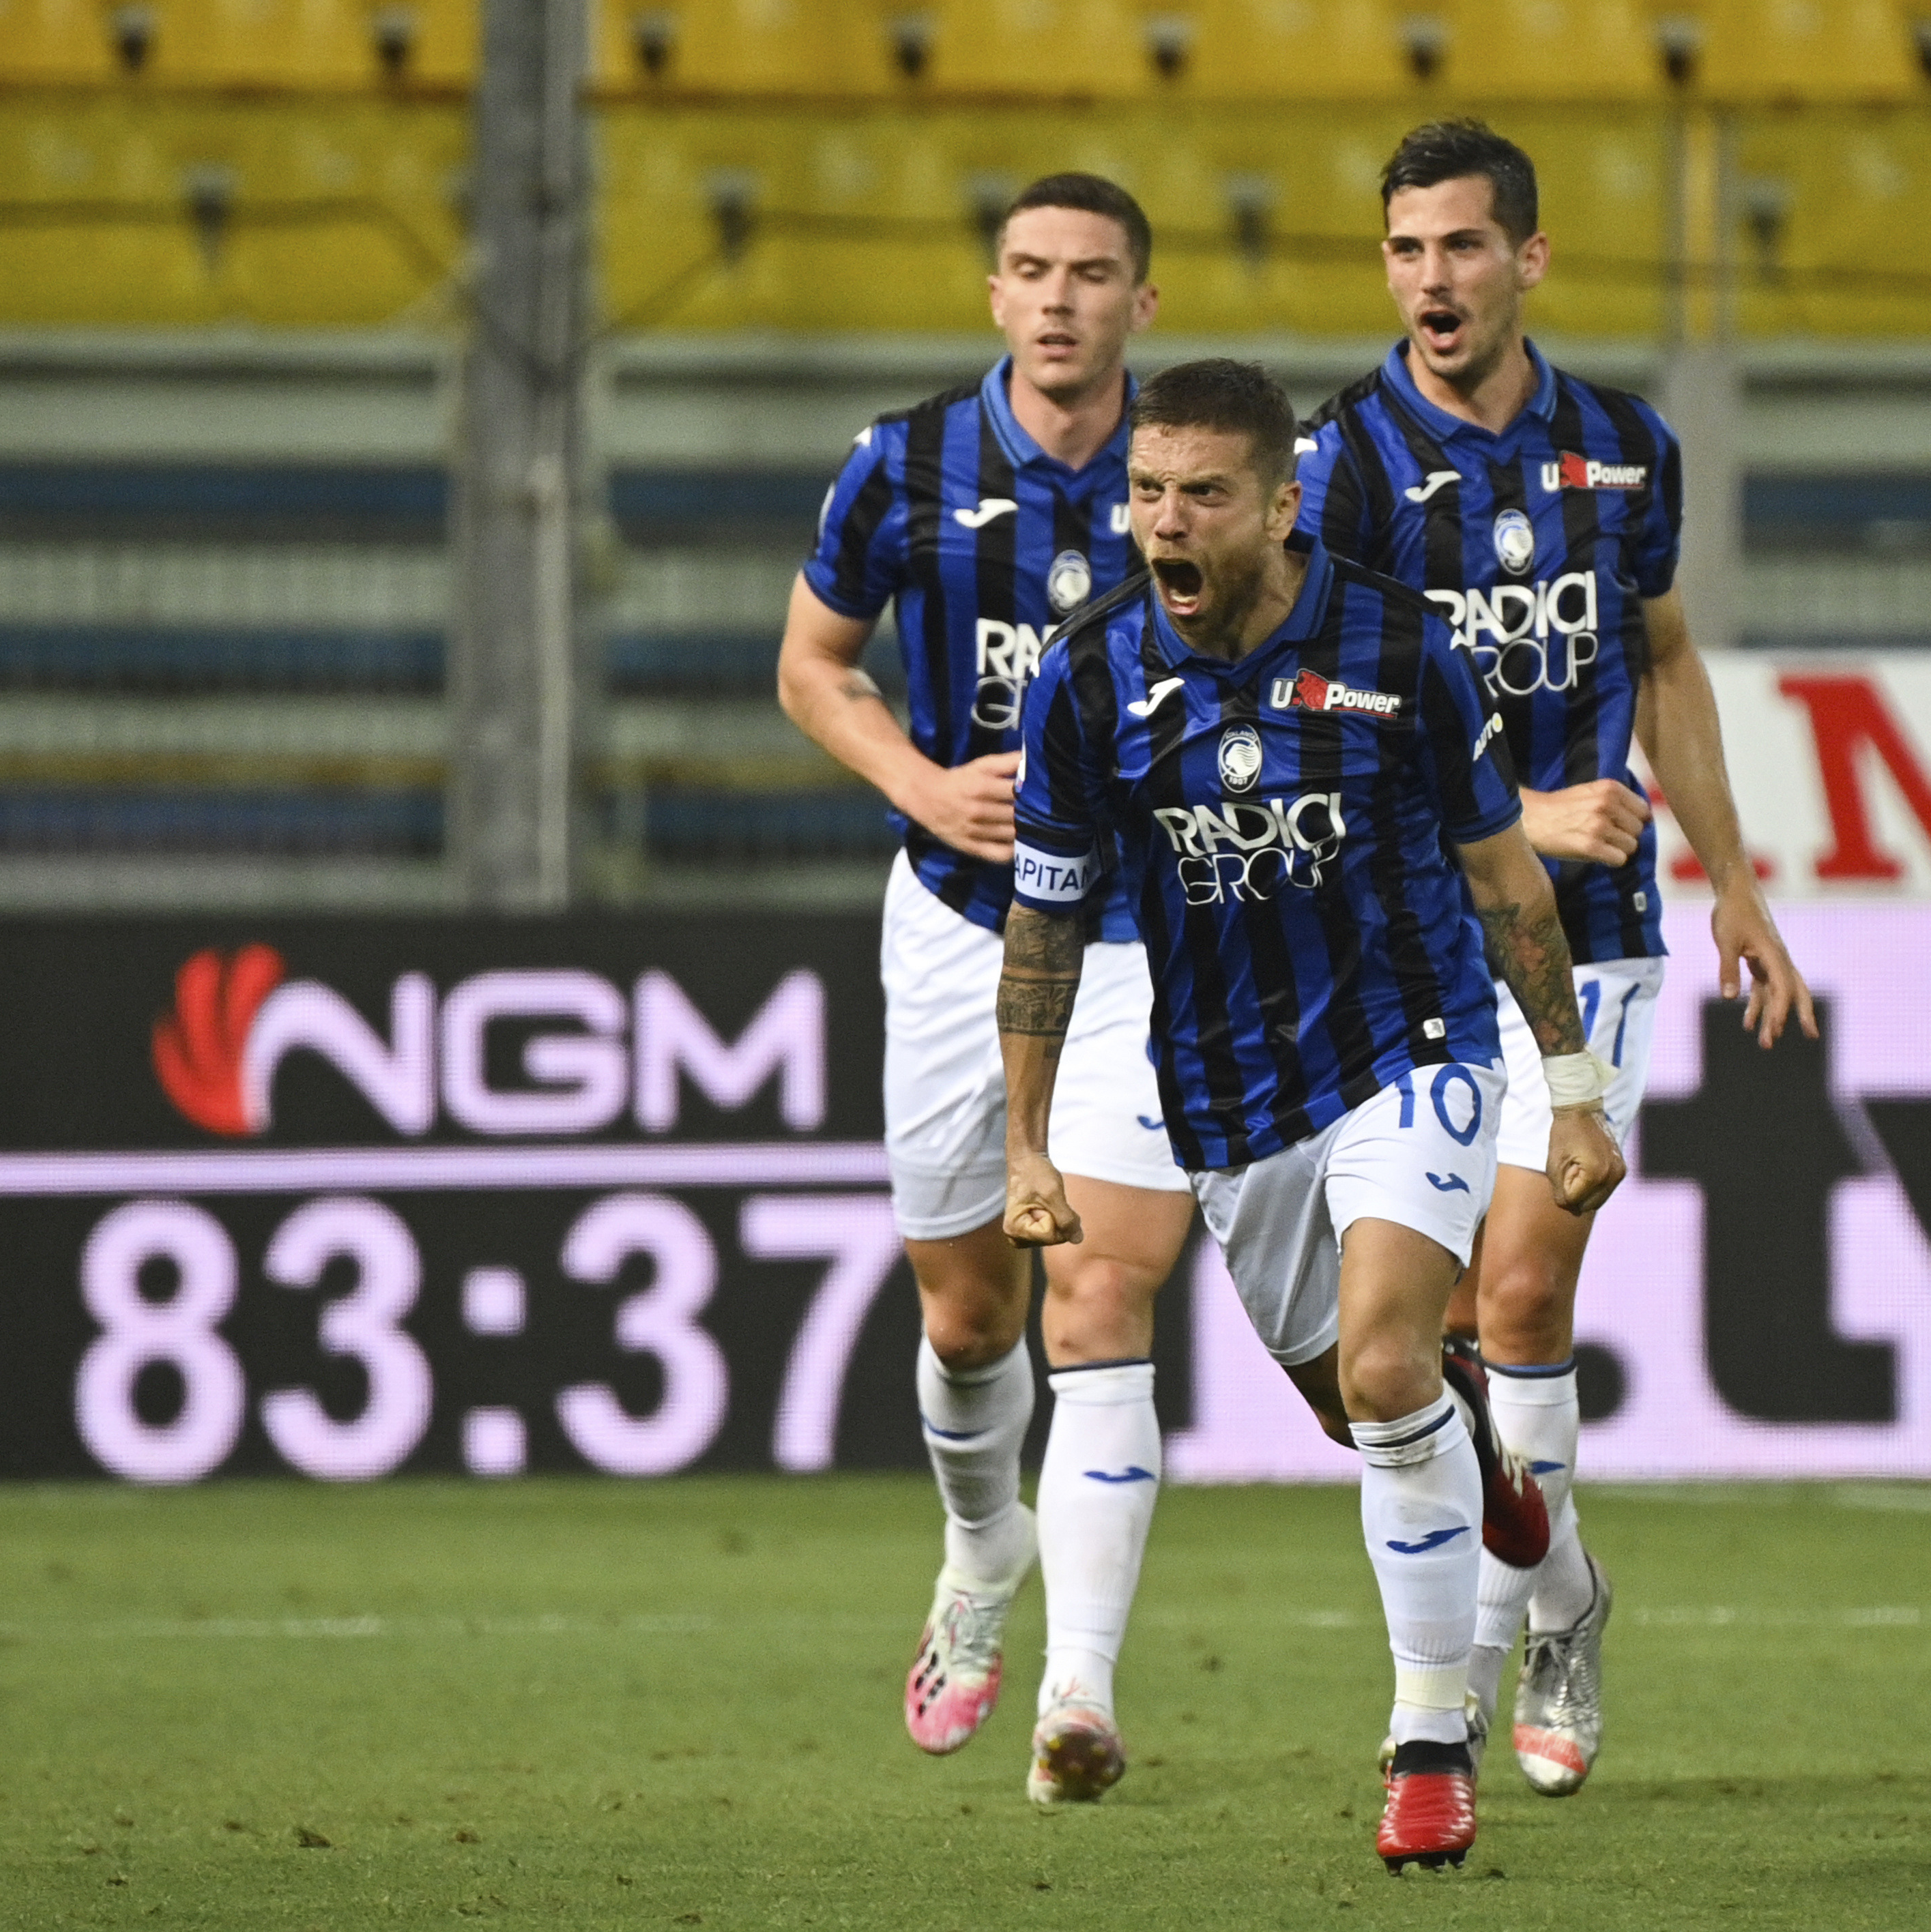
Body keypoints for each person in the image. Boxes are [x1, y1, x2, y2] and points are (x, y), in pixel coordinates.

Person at [998, 357, 1627, 1873]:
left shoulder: (1401, 647)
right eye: (1148, 492)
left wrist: (1571, 1092)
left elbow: (1504, 880)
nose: (1167, 520)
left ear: (1282, 506)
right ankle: (1493, 1471)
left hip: (1413, 1046)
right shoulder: (1088, 676)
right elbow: (1046, 923)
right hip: (1228, 1096)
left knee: (1387, 1360)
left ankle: (1429, 1746)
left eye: (1204, 494)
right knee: (1364, 1410)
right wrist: (1026, 1142)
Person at [1294, 119, 1813, 1795]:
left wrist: (1734, 882)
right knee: (1433, 1324)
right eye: (1404, 249)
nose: (1429, 278)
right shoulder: (1340, 464)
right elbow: (1323, 707)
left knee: (1519, 1290)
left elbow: (1664, 663)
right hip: (1409, 943)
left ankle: (1502, 1657)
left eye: (1459, 245)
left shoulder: (1624, 447)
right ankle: (1566, 1588)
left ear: (1527, 258)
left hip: (1590, 938)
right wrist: (1516, 807)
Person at [775, 173, 1200, 1789]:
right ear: (995, 295)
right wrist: (919, 784)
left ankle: (1077, 1694)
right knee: (967, 1319)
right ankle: (978, 1552)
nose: (1060, 298)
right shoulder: (905, 462)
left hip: (1141, 940)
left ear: (1140, 304)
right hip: (962, 920)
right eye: (1031, 270)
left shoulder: (1206, 474)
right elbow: (811, 665)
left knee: (1098, 1294)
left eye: (1091, 274)